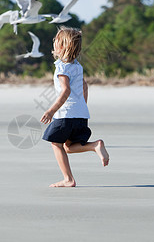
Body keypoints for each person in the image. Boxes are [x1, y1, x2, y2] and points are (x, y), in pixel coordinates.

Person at [40, 26, 109, 187]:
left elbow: (65, 90)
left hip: (65, 114)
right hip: (81, 114)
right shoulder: (77, 67)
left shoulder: (62, 67)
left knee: (56, 144)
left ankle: (68, 179)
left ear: (62, 46)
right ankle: (95, 145)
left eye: (55, 40)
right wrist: (82, 107)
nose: (53, 42)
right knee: (69, 147)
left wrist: (51, 111)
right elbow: (84, 86)